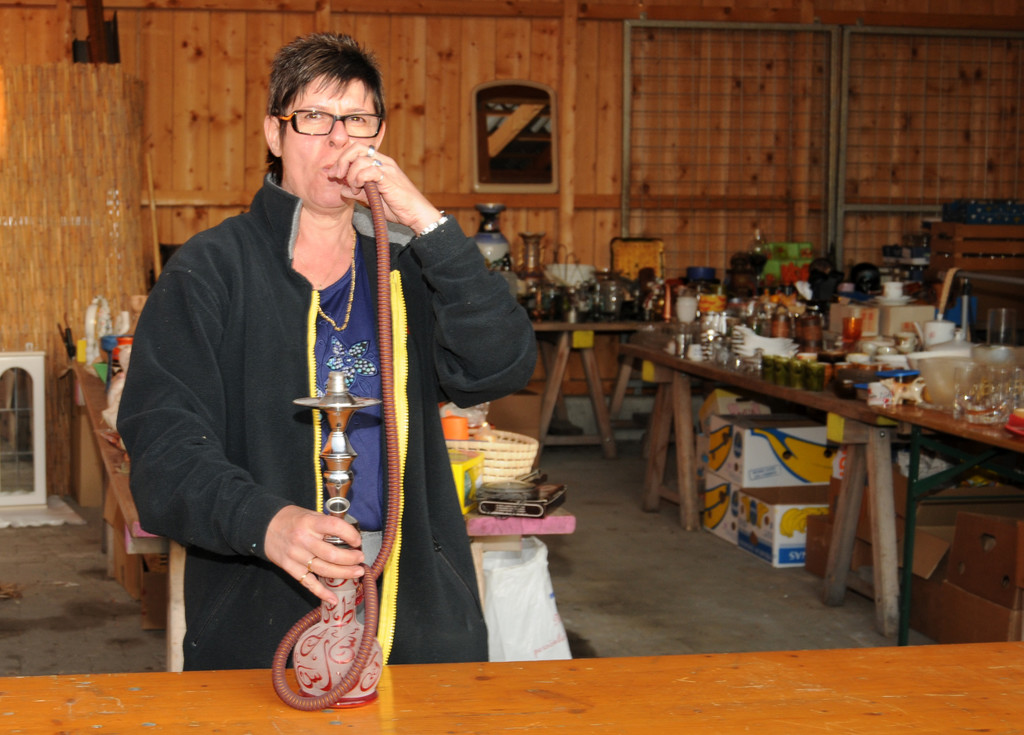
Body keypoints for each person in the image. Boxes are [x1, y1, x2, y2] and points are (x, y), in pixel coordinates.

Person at [117, 32, 537, 671]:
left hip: (413, 599)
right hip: (266, 601)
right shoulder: (211, 270)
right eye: (314, 118)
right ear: (275, 133)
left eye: (357, 120)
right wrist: (264, 522)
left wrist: (430, 226)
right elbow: (162, 450)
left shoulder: (407, 265)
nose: (339, 140)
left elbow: (500, 366)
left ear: (379, 135)